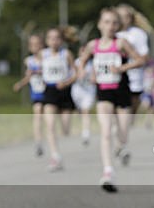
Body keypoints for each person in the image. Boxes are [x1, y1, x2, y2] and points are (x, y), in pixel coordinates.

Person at [78, 7, 145, 192]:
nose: (110, 26)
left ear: (119, 25)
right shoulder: (93, 45)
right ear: (100, 24)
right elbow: (82, 61)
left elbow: (140, 60)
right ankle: (108, 171)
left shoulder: (121, 43)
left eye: (114, 22)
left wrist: (122, 69)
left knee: (123, 132)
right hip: (103, 93)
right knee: (106, 131)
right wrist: (85, 71)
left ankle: (121, 146)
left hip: (122, 90)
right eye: (106, 22)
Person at [41, 27, 77, 171]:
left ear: (61, 40)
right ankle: (55, 156)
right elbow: (34, 66)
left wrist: (66, 82)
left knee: (65, 129)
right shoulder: (43, 54)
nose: (54, 41)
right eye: (51, 38)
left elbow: (76, 73)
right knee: (50, 126)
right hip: (49, 91)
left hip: (64, 91)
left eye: (57, 38)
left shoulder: (66, 54)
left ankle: (58, 151)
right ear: (47, 40)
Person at [13, 33, 46, 156]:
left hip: (48, 92)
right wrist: (20, 84)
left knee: (48, 116)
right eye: (32, 44)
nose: (35, 47)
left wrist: (38, 71)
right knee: (37, 115)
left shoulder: (47, 58)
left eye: (37, 44)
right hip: (37, 92)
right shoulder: (28, 61)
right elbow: (28, 77)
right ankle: (38, 142)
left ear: (42, 45)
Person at [115, 3, 150, 117]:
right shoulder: (112, 33)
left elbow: (144, 58)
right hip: (114, 79)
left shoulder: (138, 34)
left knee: (129, 114)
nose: (123, 19)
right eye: (120, 16)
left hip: (134, 79)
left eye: (126, 16)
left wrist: (124, 67)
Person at [71, 45, 97, 144]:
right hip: (77, 90)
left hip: (89, 91)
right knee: (80, 111)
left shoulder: (93, 64)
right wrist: (77, 75)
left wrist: (92, 79)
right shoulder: (76, 63)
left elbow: (96, 78)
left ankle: (86, 133)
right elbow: (71, 77)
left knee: (85, 111)